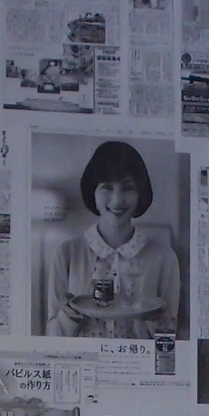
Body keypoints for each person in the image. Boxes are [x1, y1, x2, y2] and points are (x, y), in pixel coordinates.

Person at [45, 140, 181, 338]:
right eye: (107, 188)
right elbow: (52, 338)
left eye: (127, 188)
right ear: (92, 191)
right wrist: (69, 316)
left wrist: (157, 322)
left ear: (140, 192)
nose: (117, 200)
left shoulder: (165, 258)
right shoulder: (66, 254)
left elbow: (170, 343)